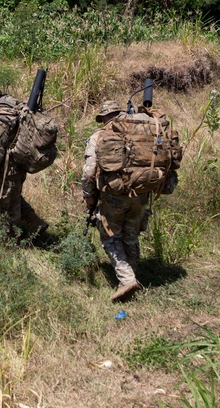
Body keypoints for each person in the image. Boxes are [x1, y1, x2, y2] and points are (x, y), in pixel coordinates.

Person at [81, 100, 148, 301]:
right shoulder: (139, 133)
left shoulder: (99, 137)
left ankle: (127, 279)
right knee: (131, 233)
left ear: (103, 118)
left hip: (114, 195)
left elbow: (89, 172)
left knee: (110, 236)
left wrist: (89, 197)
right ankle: (134, 274)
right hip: (141, 192)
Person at [0, 76, 48, 240]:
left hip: (9, 167)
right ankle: (35, 223)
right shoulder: (12, 102)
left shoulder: (1, 115)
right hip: (19, 162)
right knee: (13, 197)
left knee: (4, 203)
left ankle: (10, 241)